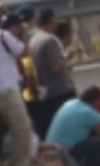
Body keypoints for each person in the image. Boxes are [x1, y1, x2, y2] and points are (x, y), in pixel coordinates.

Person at [0, 9, 36, 166]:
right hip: (7, 89)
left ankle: (12, 161)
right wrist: (24, 36)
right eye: (19, 27)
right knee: (23, 127)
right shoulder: (4, 36)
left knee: (13, 128)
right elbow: (25, 53)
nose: (21, 30)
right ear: (12, 27)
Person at [26, 11, 76, 139]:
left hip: (44, 93)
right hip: (58, 91)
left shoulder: (34, 40)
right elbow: (55, 67)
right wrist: (67, 57)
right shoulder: (50, 40)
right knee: (68, 129)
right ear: (51, 22)